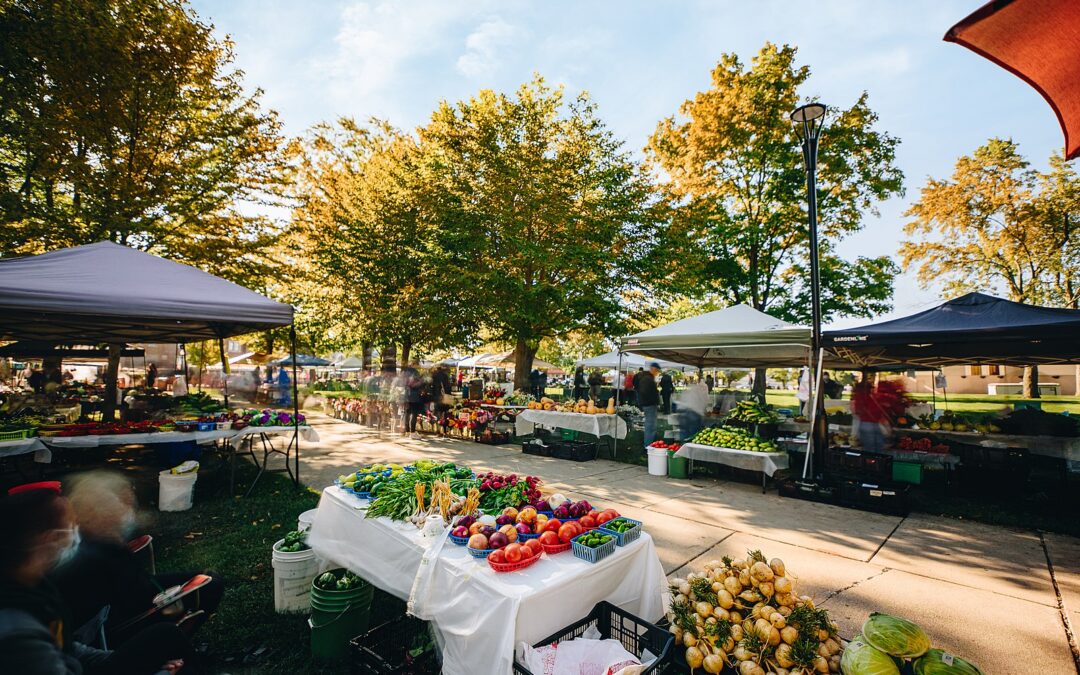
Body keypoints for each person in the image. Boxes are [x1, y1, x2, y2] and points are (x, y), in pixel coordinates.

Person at [0, 486, 196, 675]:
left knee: (164, 637)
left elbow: (69, 649)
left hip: (83, 659)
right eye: (70, 525)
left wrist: (132, 663)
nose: (77, 532)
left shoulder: (35, 587)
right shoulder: (19, 633)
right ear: (49, 540)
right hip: (96, 637)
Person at [50, 472, 223, 642]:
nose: (124, 508)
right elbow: (132, 597)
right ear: (93, 514)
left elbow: (136, 582)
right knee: (209, 584)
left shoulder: (97, 540)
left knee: (207, 578)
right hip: (120, 624)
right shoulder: (91, 554)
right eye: (116, 503)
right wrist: (170, 597)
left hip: (131, 599)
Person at [636, 364, 660, 448]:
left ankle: (649, 444)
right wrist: (654, 399)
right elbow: (645, 392)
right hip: (649, 404)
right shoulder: (647, 379)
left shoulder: (647, 377)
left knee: (650, 425)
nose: (657, 372)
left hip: (648, 404)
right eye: (657, 370)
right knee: (650, 426)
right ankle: (648, 446)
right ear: (653, 369)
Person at [402, 362, 424, 437]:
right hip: (414, 395)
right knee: (414, 414)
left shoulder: (404, 372)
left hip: (406, 395)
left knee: (407, 413)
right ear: (415, 364)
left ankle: (407, 431)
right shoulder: (415, 372)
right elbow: (417, 384)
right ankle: (412, 432)